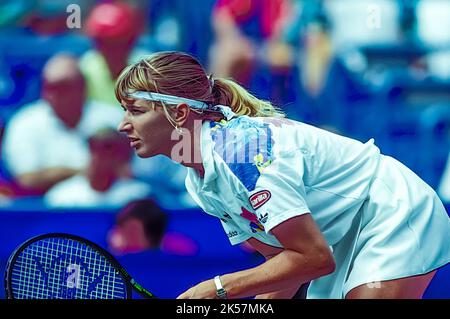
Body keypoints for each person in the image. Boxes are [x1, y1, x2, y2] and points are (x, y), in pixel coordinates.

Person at [114, 51, 450, 299]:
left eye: (136, 110)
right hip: (338, 235)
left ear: (180, 113)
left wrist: (214, 290)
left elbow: (313, 259)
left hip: (390, 208)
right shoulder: (199, 182)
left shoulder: (244, 154)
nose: (123, 124)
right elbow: (282, 262)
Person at [1, 54, 123, 195]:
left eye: (64, 86)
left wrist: (55, 174)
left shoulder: (114, 118)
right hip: (46, 209)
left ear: (83, 86)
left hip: (112, 201)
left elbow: (130, 170)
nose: (55, 94)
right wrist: (86, 172)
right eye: (49, 87)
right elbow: (27, 180)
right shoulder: (24, 123)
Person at [44, 128, 151, 208]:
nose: (101, 155)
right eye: (95, 148)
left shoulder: (139, 196)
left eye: (110, 149)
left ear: (122, 157)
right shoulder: (61, 197)